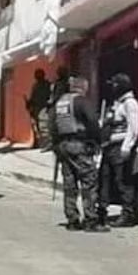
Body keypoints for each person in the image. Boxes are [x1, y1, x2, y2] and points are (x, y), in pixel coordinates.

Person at [50, 75, 105, 232]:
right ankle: (90, 220)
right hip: (79, 145)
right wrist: (97, 141)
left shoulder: (60, 103)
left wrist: (56, 146)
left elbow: (52, 126)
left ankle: (72, 220)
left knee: (70, 184)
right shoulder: (82, 102)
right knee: (89, 182)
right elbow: (92, 122)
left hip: (63, 147)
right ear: (83, 87)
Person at [99, 73, 138, 227]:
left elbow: (134, 127)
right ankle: (101, 212)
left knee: (123, 181)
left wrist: (127, 146)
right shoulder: (117, 103)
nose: (112, 87)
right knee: (104, 179)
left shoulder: (130, 103)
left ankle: (128, 214)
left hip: (120, 147)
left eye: (115, 84)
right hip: (109, 147)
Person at [26, 69, 52, 148]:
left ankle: (46, 143)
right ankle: (37, 142)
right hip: (37, 109)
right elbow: (33, 97)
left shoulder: (47, 85)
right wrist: (29, 103)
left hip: (45, 108)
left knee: (44, 126)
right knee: (36, 127)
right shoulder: (36, 86)